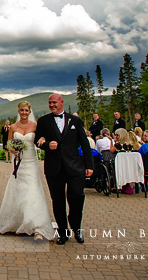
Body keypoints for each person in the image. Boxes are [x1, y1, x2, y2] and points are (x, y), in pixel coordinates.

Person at [35, 93, 93, 245]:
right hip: (54, 168)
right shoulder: (43, 121)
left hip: (74, 167)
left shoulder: (75, 120)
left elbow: (84, 143)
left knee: (76, 197)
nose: (52, 105)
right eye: (49, 103)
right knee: (58, 201)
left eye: (54, 102)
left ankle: (77, 228)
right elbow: (37, 141)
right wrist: (48, 145)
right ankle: (63, 232)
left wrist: (89, 165)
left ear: (61, 102)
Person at [0, 101, 54, 240]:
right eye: (22, 110)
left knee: (32, 190)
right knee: (19, 190)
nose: (24, 113)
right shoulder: (13, 127)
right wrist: (13, 150)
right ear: (18, 111)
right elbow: (8, 144)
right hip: (19, 164)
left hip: (31, 162)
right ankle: (18, 220)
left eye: (26, 110)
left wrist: (42, 140)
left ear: (30, 111)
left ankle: (36, 225)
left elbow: (41, 139)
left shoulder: (35, 126)